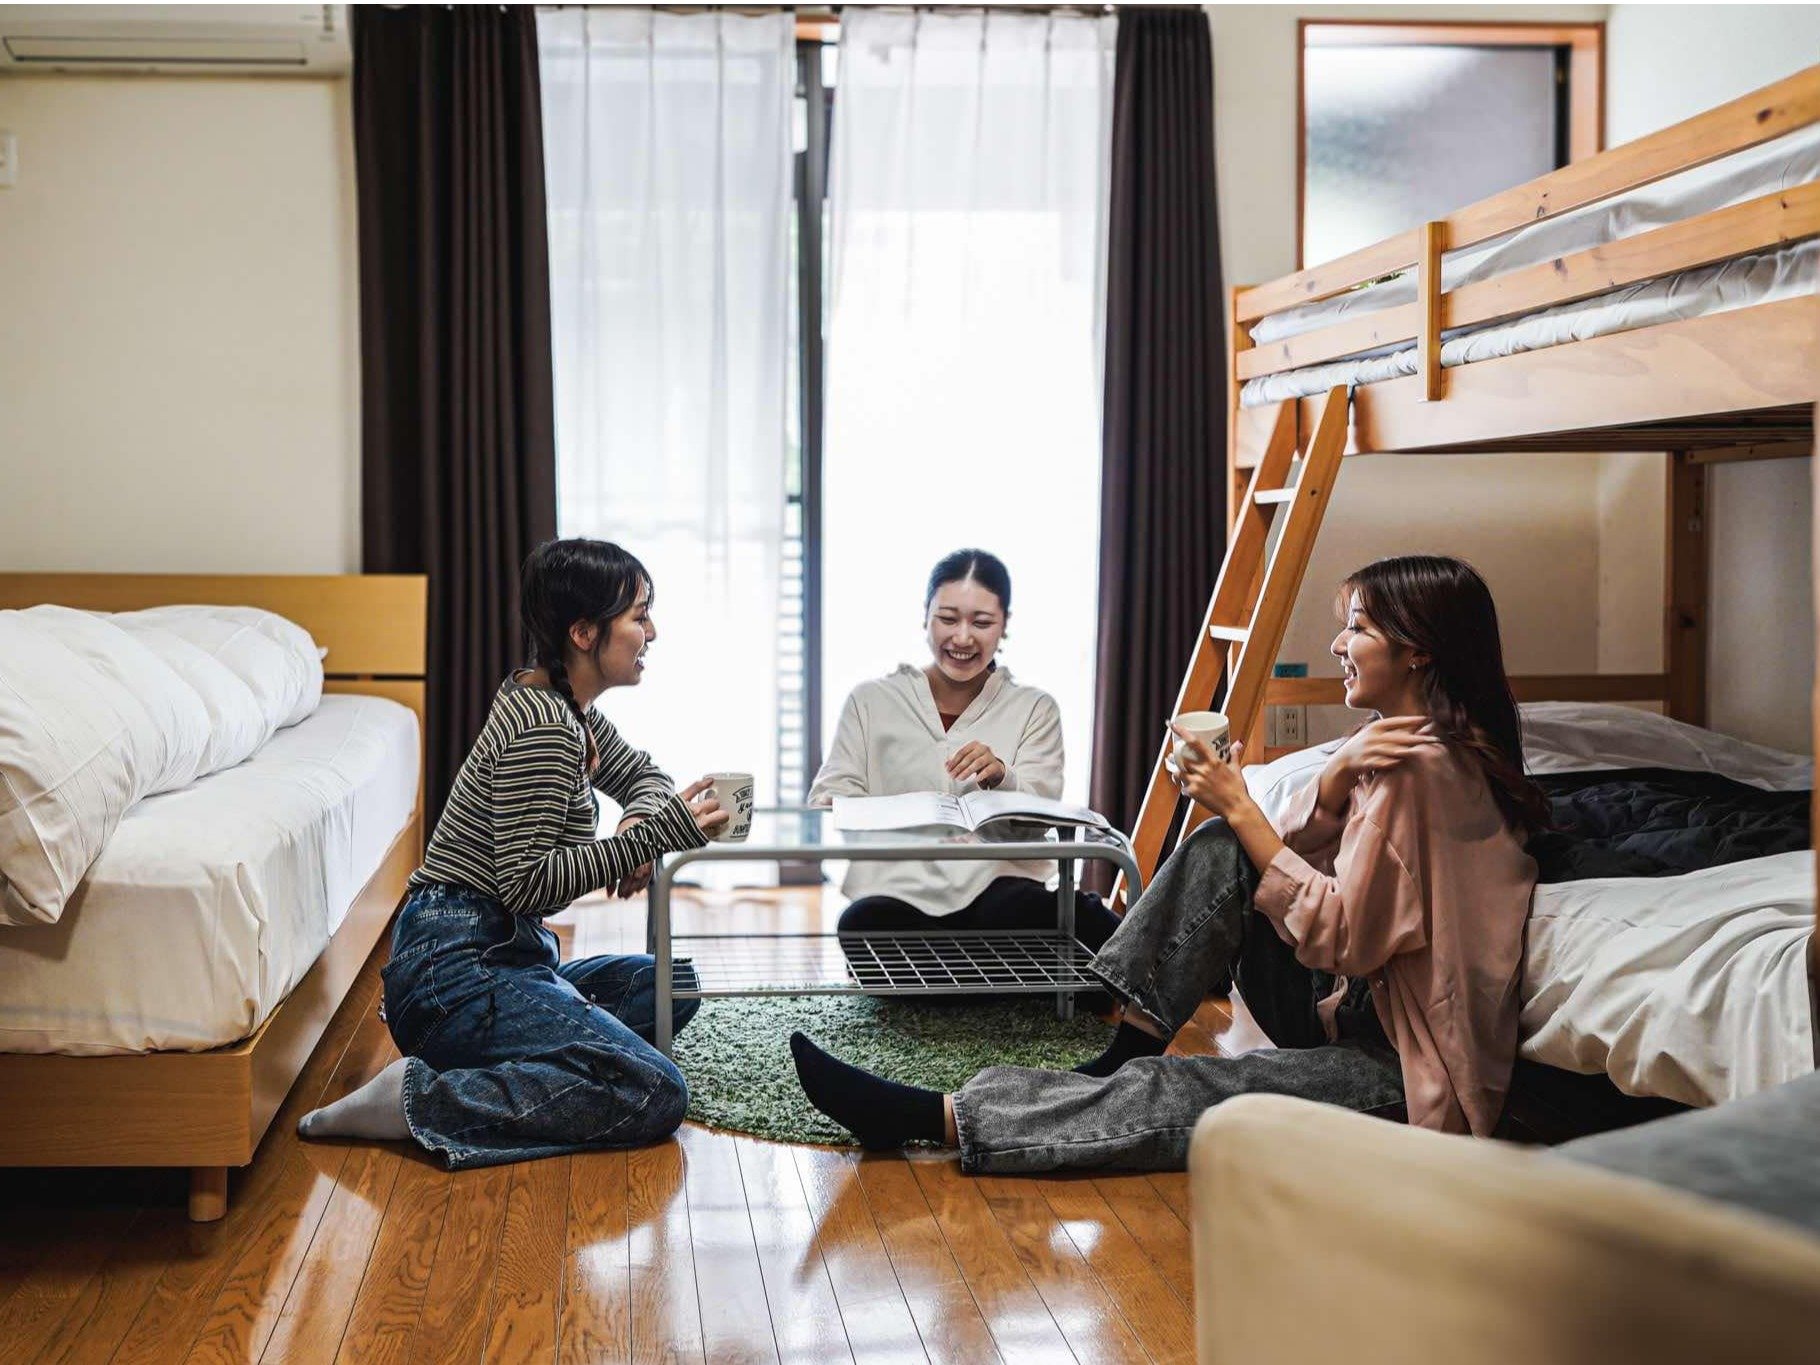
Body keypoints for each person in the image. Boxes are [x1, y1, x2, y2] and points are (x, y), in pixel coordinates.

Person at [792, 554, 1545, 1171]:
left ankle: (941, 1118)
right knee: (1225, 847)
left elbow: (1342, 937)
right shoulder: (1390, 750)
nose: (1337, 646)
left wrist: (1238, 803)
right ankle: (1126, 1046)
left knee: (1205, 1089)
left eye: (1356, 627)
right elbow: (1285, 862)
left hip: (1410, 1067)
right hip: (1347, 1005)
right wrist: (1329, 780)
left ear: (1417, 649)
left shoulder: (1421, 770)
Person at [297, 538, 729, 1168]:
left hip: (504, 956)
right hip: (456, 970)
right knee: (654, 1091)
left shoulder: (568, 707)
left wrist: (640, 816)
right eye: (640, 616)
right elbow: (527, 886)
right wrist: (654, 836)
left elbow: (643, 773)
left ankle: (513, 1057)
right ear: (584, 632)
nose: (652, 633)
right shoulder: (544, 728)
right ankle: (420, 1101)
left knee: (670, 987)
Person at [808, 549, 1119, 991]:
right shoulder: (871, 700)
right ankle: (1012, 986)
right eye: (948, 618)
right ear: (925, 616)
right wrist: (896, 817)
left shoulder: (1034, 708)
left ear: (1005, 625)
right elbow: (832, 794)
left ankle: (956, 989)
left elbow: (1042, 817)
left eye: (982, 622)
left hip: (997, 889)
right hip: (900, 892)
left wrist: (1002, 777)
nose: (962, 637)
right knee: (860, 923)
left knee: (1041, 911)